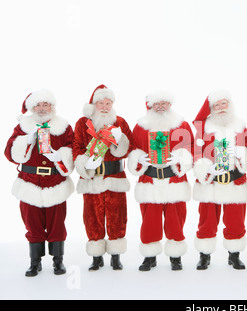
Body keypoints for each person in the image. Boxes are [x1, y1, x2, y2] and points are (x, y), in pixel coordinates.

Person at [5, 89, 75, 277]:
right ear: (32, 107)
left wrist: (59, 156)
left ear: (52, 106)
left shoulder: (64, 126)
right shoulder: (23, 126)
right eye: (38, 105)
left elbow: (72, 148)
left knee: (57, 224)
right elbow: (9, 152)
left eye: (46, 104)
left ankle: (58, 261)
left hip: (55, 182)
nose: (42, 108)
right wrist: (26, 140)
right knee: (32, 224)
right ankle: (34, 263)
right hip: (30, 183)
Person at [127, 91, 194, 271]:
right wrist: (138, 158)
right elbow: (133, 148)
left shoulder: (182, 124)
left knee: (176, 220)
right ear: (150, 106)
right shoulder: (141, 126)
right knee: (149, 222)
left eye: (164, 103)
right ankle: (150, 257)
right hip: (150, 181)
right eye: (157, 104)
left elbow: (191, 148)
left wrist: (181, 158)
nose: (161, 107)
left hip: (174, 181)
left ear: (170, 105)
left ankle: (175, 256)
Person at [73, 84, 133, 271]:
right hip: (92, 179)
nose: (105, 107)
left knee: (118, 216)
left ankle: (116, 257)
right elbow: (76, 148)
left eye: (108, 103)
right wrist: (84, 163)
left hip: (115, 177)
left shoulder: (120, 122)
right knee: (92, 217)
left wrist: (119, 139)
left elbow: (129, 149)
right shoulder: (82, 124)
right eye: (101, 103)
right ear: (94, 104)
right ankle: (96, 257)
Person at [192, 89, 247, 270]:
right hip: (211, 182)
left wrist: (242, 155)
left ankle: (234, 255)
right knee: (207, 221)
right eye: (216, 105)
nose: (220, 108)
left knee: (236, 220)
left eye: (223, 104)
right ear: (211, 109)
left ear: (229, 104)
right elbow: (196, 153)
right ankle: (204, 255)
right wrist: (205, 168)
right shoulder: (205, 129)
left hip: (234, 181)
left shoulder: (240, 126)